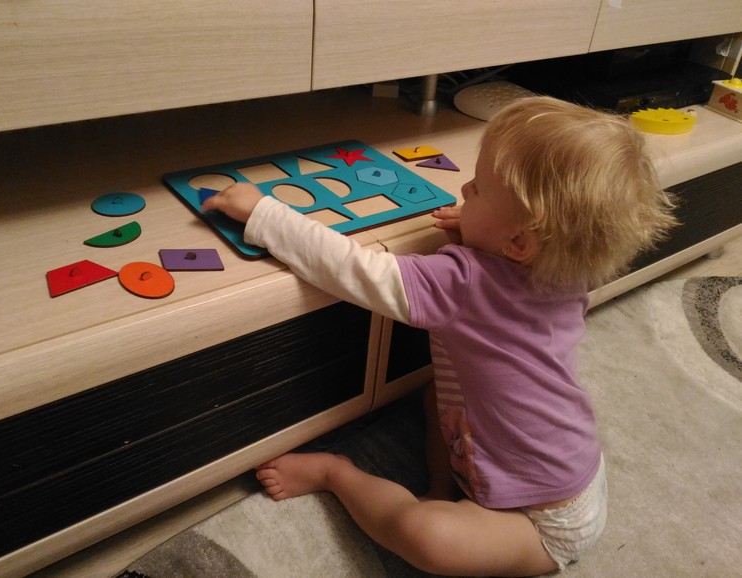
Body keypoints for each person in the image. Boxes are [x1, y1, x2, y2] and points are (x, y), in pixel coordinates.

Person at [202, 96, 677, 576]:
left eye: (479, 190)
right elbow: (509, 296)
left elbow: (354, 270)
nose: (465, 188)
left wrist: (266, 215)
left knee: (428, 538)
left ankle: (335, 473)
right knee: (437, 397)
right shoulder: (569, 274)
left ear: (518, 243)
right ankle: (441, 490)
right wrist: (484, 232)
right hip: (578, 470)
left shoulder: (462, 280)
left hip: (546, 525)